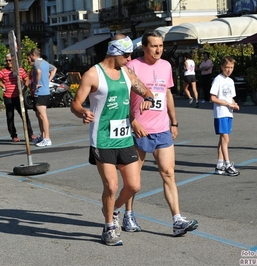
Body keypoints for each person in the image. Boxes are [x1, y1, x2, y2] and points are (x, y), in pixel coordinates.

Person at [71, 34, 154, 246]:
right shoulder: (93, 74)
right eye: (126, 54)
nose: (130, 58)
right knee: (111, 185)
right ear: (115, 52)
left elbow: (144, 89)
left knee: (134, 186)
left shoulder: (127, 72)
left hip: (125, 137)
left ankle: (112, 208)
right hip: (102, 138)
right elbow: (76, 104)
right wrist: (82, 112)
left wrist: (148, 98)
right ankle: (108, 227)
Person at [123, 30, 199, 237]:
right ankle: (128, 214)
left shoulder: (166, 66)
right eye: (154, 46)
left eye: (161, 46)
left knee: (168, 173)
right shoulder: (132, 67)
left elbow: (167, 94)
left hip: (162, 128)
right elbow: (123, 98)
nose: (158, 50)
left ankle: (177, 220)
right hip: (139, 130)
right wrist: (133, 120)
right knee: (133, 180)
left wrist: (174, 122)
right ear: (145, 47)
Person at [0, 54, 36, 142]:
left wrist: (25, 88)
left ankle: (30, 134)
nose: (8, 62)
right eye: (7, 61)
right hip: (8, 97)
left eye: (10, 60)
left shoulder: (20, 70)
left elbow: (26, 78)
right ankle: (13, 135)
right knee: (10, 116)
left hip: (18, 96)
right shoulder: (4, 71)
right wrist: (2, 85)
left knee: (24, 115)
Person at [210, 56, 240, 176]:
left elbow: (230, 97)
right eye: (227, 67)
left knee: (223, 139)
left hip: (228, 112)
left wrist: (234, 103)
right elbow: (212, 97)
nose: (229, 70)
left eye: (231, 67)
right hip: (221, 112)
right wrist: (227, 104)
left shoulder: (230, 81)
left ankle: (219, 164)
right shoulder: (218, 79)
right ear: (222, 67)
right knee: (225, 138)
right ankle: (227, 164)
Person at [30, 48, 57, 147]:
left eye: (30, 56)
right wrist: (49, 79)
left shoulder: (37, 63)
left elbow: (38, 72)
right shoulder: (45, 63)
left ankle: (47, 138)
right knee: (39, 115)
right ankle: (43, 135)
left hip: (41, 92)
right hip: (44, 91)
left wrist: (37, 83)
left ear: (33, 55)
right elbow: (54, 69)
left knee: (42, 115)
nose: (30, 58)